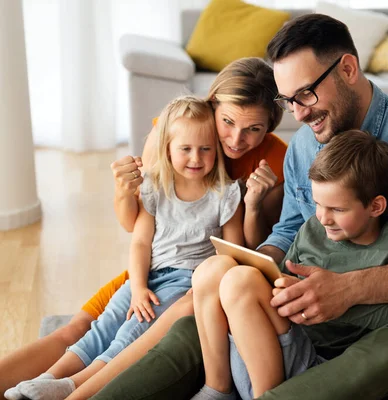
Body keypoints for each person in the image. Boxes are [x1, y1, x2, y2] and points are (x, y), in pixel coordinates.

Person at [93, 13, 388, 400]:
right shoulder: (306, 145)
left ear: (347, 68)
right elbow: (288, 232)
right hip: (304, 309)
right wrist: (249, 269)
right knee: (194, 326)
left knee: (369, 363)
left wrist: (346, 290)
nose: (300, 113)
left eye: (306, 94)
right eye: (289, 101)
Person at [0, 57, 287, 397]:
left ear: (269, 125)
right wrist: (124, 191)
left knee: (132, 331)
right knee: (79, 328)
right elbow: (136, 227)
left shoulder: (275, 161)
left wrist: (253, 203)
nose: (238, 139)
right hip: (151, 263)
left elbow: (252, 247)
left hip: (201, 276)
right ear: (211, 106)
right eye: (227, 121)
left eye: (254, 128)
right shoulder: (175, 129)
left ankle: (74, 388)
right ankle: (41, 383)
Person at [191, 130, 388, 400]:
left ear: (375, 206)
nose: (323, 218)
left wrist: (331, 303)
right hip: (263, 348)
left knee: (240, 282)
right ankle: (218, 389)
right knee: (212, 269)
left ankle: (268, 396)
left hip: (310, 362)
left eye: (337, 209)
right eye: (317, 205)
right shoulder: (312, 228)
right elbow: (285, 277)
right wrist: (287, 288)